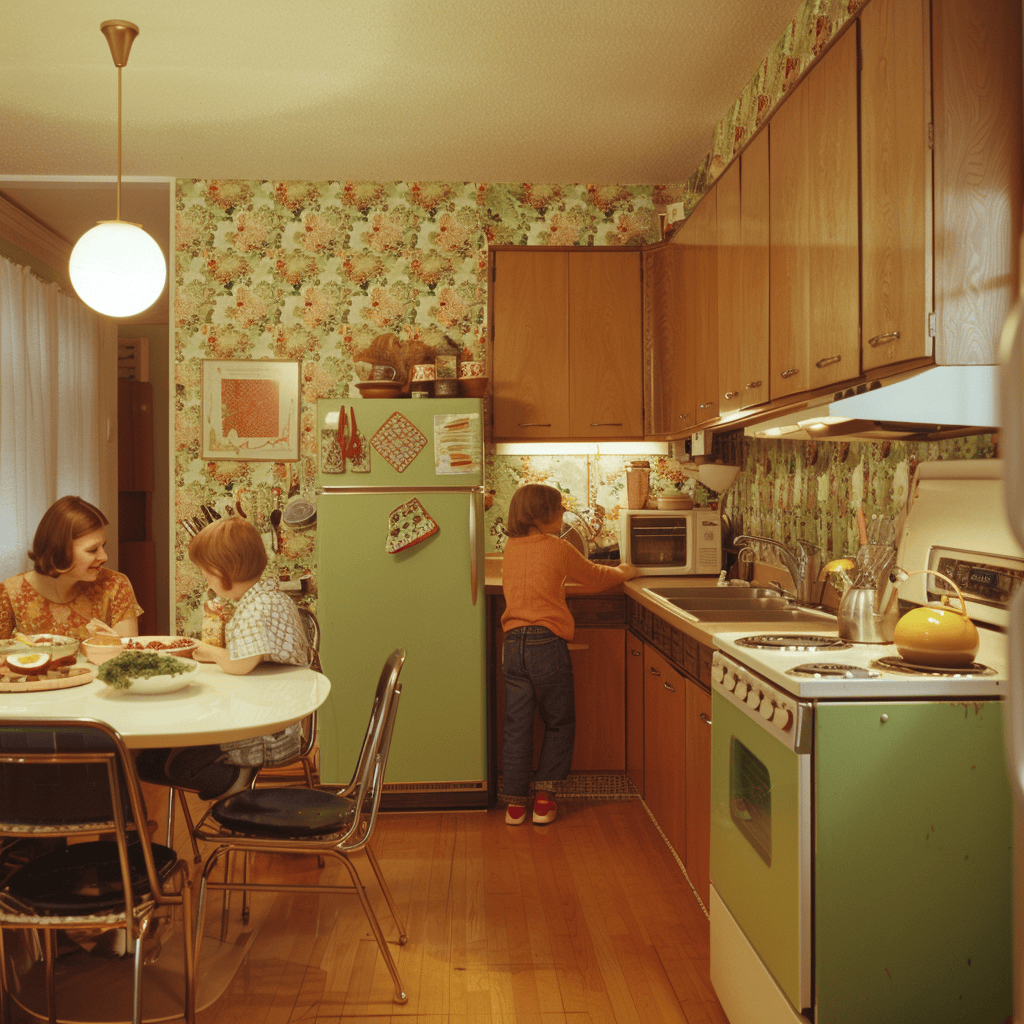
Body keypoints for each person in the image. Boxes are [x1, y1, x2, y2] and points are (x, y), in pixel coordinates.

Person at [136, 516, 311, 800]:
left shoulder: (257, 608)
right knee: (168, 756)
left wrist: (208, 652)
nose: (206, 581)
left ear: (221, 572)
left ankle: (237, 775)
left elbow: (241, 664)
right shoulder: (269, 597)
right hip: (275, 713)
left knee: (171, 762)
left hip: (268, 731)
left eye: (205, 574)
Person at [500, 484, 638, 826]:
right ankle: (544, 801)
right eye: (559, 508)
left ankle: (515, 806)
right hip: (546, 644)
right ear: (541, 515)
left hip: (513, 645)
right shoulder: (557, 548)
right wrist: (626, 572)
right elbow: (595, 577)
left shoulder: (511, 548)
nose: (563, 513)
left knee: (518, 725)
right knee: (559, 722)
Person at [0, 496, 141, 640]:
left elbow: (127, 655)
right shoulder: (9, 594)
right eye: (92, 550)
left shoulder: (115, 585)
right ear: (59, 550)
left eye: (102, 546)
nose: (104, 557)